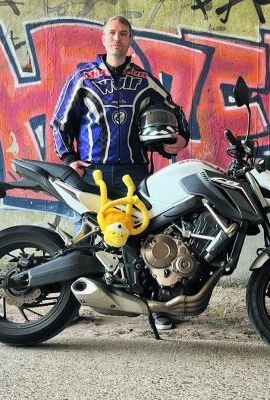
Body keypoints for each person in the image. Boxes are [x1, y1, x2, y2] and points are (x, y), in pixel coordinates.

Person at [50, 16, 189, 331]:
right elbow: (60, 122)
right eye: (112, 33)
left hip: (134, 172)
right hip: (92, 173)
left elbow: (175, 111)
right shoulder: (83, 78)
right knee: (85, 238)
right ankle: (68, 307)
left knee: (145, 237)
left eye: (123, 34)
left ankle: (157, 307)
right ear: (103, 38)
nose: (117, 38)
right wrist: (69, 158)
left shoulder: (144, 80)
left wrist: (181, 138)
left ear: (130, 40)